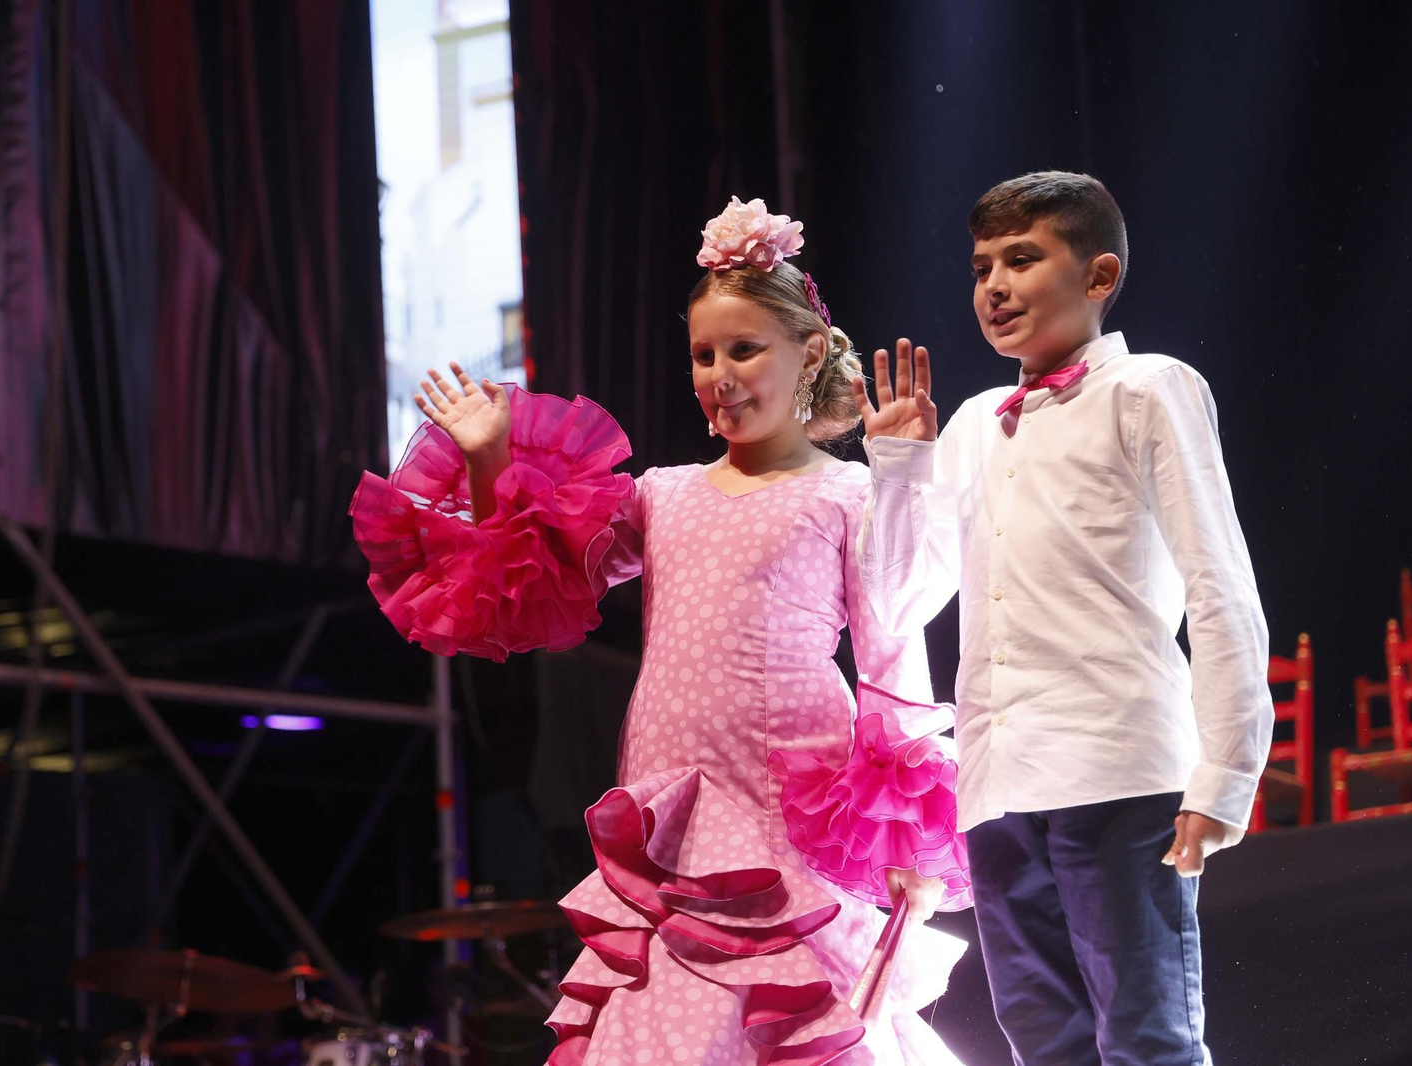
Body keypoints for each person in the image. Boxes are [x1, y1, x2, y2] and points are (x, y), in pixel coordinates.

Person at [351, 196, 972, 1064]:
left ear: (811, 354)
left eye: (745, 349)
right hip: (669, 796)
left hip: (790, 801)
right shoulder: (661, 491)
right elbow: (533, 573)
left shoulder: (845, 493)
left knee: (790, 1008)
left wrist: (901, 472)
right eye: (703, 355)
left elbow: (895, 638)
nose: (720, 373)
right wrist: (491, 458)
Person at [855, 171, 1274, 1065]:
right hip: (1000, 779)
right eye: (979, 268)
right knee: (1041, 1038)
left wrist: (1227, 768)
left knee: (1148, 1033)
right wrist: (897, 467)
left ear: (1098, 275)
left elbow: (1220, 583)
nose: (994, 287)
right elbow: (895, 602)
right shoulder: (969, 424)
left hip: (1116, 766)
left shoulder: (1149, 389)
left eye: (1021, 259)